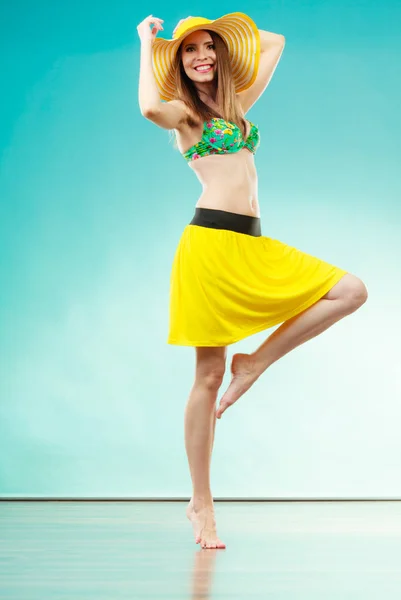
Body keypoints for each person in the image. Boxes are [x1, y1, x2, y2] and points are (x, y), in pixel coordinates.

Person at [137, 12, 368, 550]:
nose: (201, 57)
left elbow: (275, 41)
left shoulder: (236, 102)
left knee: (349, 290)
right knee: (207, 376)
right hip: (210, 246)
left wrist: (218, 33)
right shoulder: (184, 115)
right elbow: (149, 106)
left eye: (209, 48)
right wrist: (152, 43)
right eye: (190, 51)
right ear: (176, 63)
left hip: (252, 244)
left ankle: (256, 362)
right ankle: (202, 502)